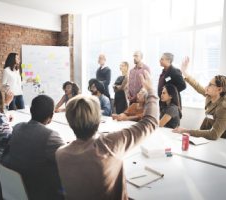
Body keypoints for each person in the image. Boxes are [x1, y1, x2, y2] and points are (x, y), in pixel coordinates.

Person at [56, 70, 158, 200]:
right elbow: (150, 122)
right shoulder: (109, 144)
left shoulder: (60, 154)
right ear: (98, 119)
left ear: (69, 122)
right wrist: (152, 91)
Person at [0, 95, 65, 200]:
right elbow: (68, 158)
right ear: (51, 115)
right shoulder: (51, 136)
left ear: (31, 110)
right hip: (37, 191)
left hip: (15, 187)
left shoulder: (17, 127)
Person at [173, 57, 226, 140]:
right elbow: (197, 86)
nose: (206, 87)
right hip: (210, 139)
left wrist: (186, 131)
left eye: (210, 85)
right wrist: (184, 72)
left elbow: (214, 134)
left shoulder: (224, 107)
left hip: (225, 142)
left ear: (219, 89)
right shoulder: (211, 95)